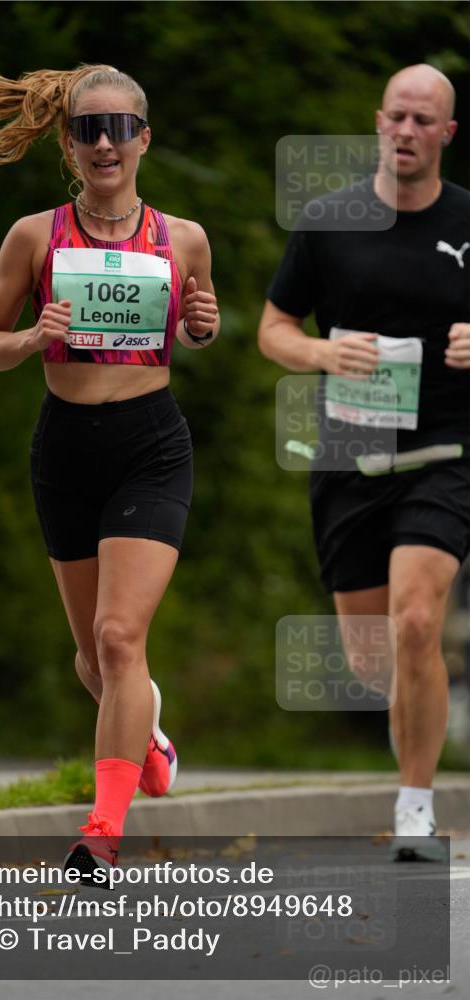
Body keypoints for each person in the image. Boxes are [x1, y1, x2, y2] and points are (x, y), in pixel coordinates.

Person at [0, 64, 220, 874]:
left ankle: (100, 834)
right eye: (88, 129)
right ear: (68, 144)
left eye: (119, 127)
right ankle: (150, 740)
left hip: (150, 443)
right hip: (65, 445)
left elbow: (194, 327)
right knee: (91, 660)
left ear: (144, 138)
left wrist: (201, 324)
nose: (105, 143)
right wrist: (34, 337)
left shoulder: (184, 237)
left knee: (118, 633)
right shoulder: (36, 236)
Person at [258, 64, 470, 860]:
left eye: (425, 121)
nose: (408, 132)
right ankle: (411, 738)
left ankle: (414, 805)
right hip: (349, 449)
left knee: (417, 621)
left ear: (446, 134)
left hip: (445, 451)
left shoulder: (467, 224)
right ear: (377, 121)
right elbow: (272, 326)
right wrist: (319, 349)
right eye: (398, 118)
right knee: (374, 657)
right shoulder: (328, 221)